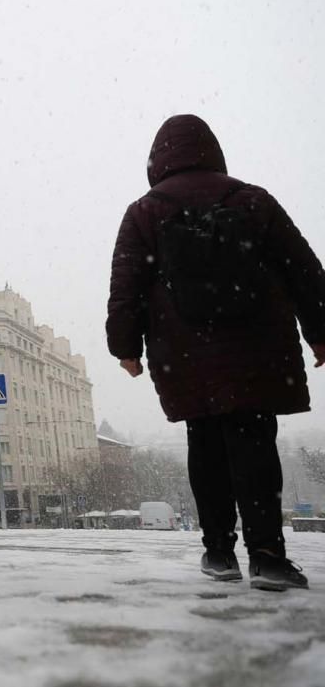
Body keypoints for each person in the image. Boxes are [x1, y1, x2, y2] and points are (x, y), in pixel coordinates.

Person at [107, 114, 325, 591]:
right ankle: (268, 555)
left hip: (184, 353)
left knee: (204, 446)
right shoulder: (253, 199)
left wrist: (126, 348)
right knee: (256, 446)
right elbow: (303, 269)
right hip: (256, 347)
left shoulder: (145, 211)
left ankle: (219, 552)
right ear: (213, 151)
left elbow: (126, 286)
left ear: (158, 159)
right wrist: (319, 331)